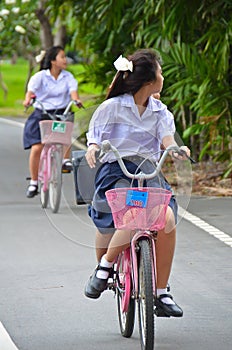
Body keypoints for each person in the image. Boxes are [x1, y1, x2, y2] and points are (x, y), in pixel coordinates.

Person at [84, 49, 190, 317]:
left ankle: (162, 292)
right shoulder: (112, 107)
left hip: (148, 172)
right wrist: (93, 148)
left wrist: (177, 149)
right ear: (149, 80)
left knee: (165, 219)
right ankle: (106, 265)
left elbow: (167, 138)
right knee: (127, 216)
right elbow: (95, 136)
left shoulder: (160, 111)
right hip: (116, 171)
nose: (163, 76)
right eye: (161, 71)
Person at [23, 46, 82, 198]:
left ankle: (65, 160)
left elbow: (73, 92)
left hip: (60, 113)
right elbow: (30, 93)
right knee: (37, 148)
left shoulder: (68, 77)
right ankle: (34, 182)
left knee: (66, 127)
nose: (65, 60)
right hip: (42, 113)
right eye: (62, 57)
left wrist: (76, 100)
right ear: (53, 61)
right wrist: (27, 100)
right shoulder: (40, 77)